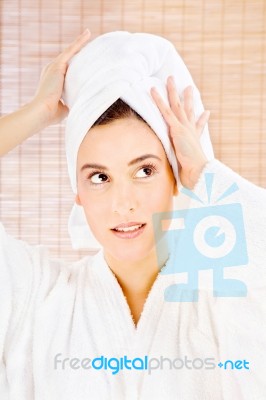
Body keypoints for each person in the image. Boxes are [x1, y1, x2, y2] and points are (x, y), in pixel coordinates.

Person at [0, 30, 266, 400]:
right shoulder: (36, 296)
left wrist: (207, 178)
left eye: (145, 171)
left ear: (175, 174)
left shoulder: (223, 300)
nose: (123, 203)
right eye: (99, 177)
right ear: (77, 191)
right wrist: (37, 112)